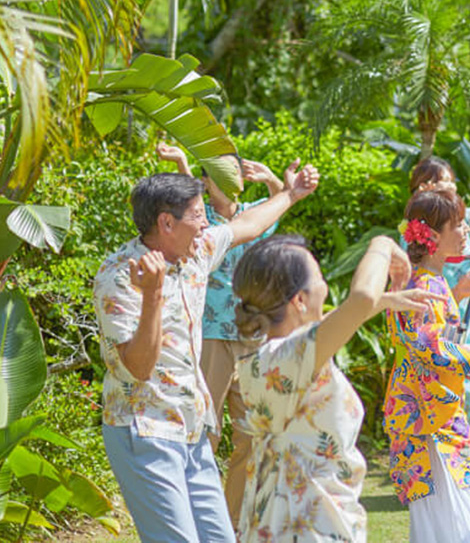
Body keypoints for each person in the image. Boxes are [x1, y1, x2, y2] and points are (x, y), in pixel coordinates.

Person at [93, 162, 318, 543]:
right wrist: (152, 297)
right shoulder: (119, 278)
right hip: (145, 429)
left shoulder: (195, 252)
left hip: (192, 426)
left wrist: (290, 195)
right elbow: (138, 368)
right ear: (166, 223)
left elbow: (247, 225)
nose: (204, 224)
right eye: (198, 215)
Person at [231, 234, 429, 542]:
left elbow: (334, 323)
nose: (324, 286)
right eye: (319, 279)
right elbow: (361, 297)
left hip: (275, 520)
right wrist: (382, 244)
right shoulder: (294, 356)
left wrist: (384, 301)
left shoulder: (262, 360)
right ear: (299, 300)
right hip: (310, 525)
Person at [156, 143, 286, 527]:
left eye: (235, 171)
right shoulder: (201, 220)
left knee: (251, 434)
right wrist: (182, 162)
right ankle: (197, 518)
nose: (230, 178)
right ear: (205, 182)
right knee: (204, 430)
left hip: (252, 337)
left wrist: (272, 179)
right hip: (212, 335)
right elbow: (186, 201)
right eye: (218, 173)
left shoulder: (252, 214)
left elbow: (283, 201)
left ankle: (233, 523)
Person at [384, 187, 470, 543]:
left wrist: (458, 295)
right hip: (426, 415)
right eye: (457, 224)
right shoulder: (421, 284)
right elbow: (426, 345)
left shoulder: (427, 280)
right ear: (432, 236)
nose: (465, 230)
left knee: (450, 501)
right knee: (453, 499)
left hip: (432, 409)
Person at [406, 156, 470, 443]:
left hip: (468, 316)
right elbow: (423, 312)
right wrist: (458, 292)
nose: (465, 231)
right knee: (448, 401)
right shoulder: (417, 250)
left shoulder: (452, 214)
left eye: (452, 181)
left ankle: (468, 459)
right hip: (442, 324)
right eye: (444, 181)